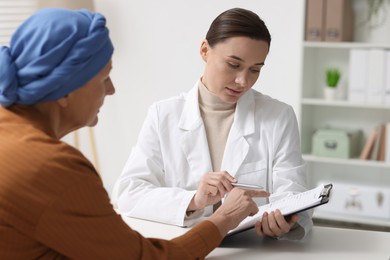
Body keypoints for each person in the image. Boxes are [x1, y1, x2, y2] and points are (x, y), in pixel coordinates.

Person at [0, 8, 270, 259]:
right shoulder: (52, 169)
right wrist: (224, 218)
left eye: (255, 69)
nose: (111, 90)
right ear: (65, 89)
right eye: (104, 78)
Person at [114, 7, 313, 240]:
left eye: (255, 70)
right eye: (233, 64)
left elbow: (293, 193)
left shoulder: (278, 116)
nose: (243, 81)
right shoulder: (163, 114)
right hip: (184, 245)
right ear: (204, 50)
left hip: (254, 250)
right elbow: (130, 193)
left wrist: (286, 221)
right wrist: (194, 200)